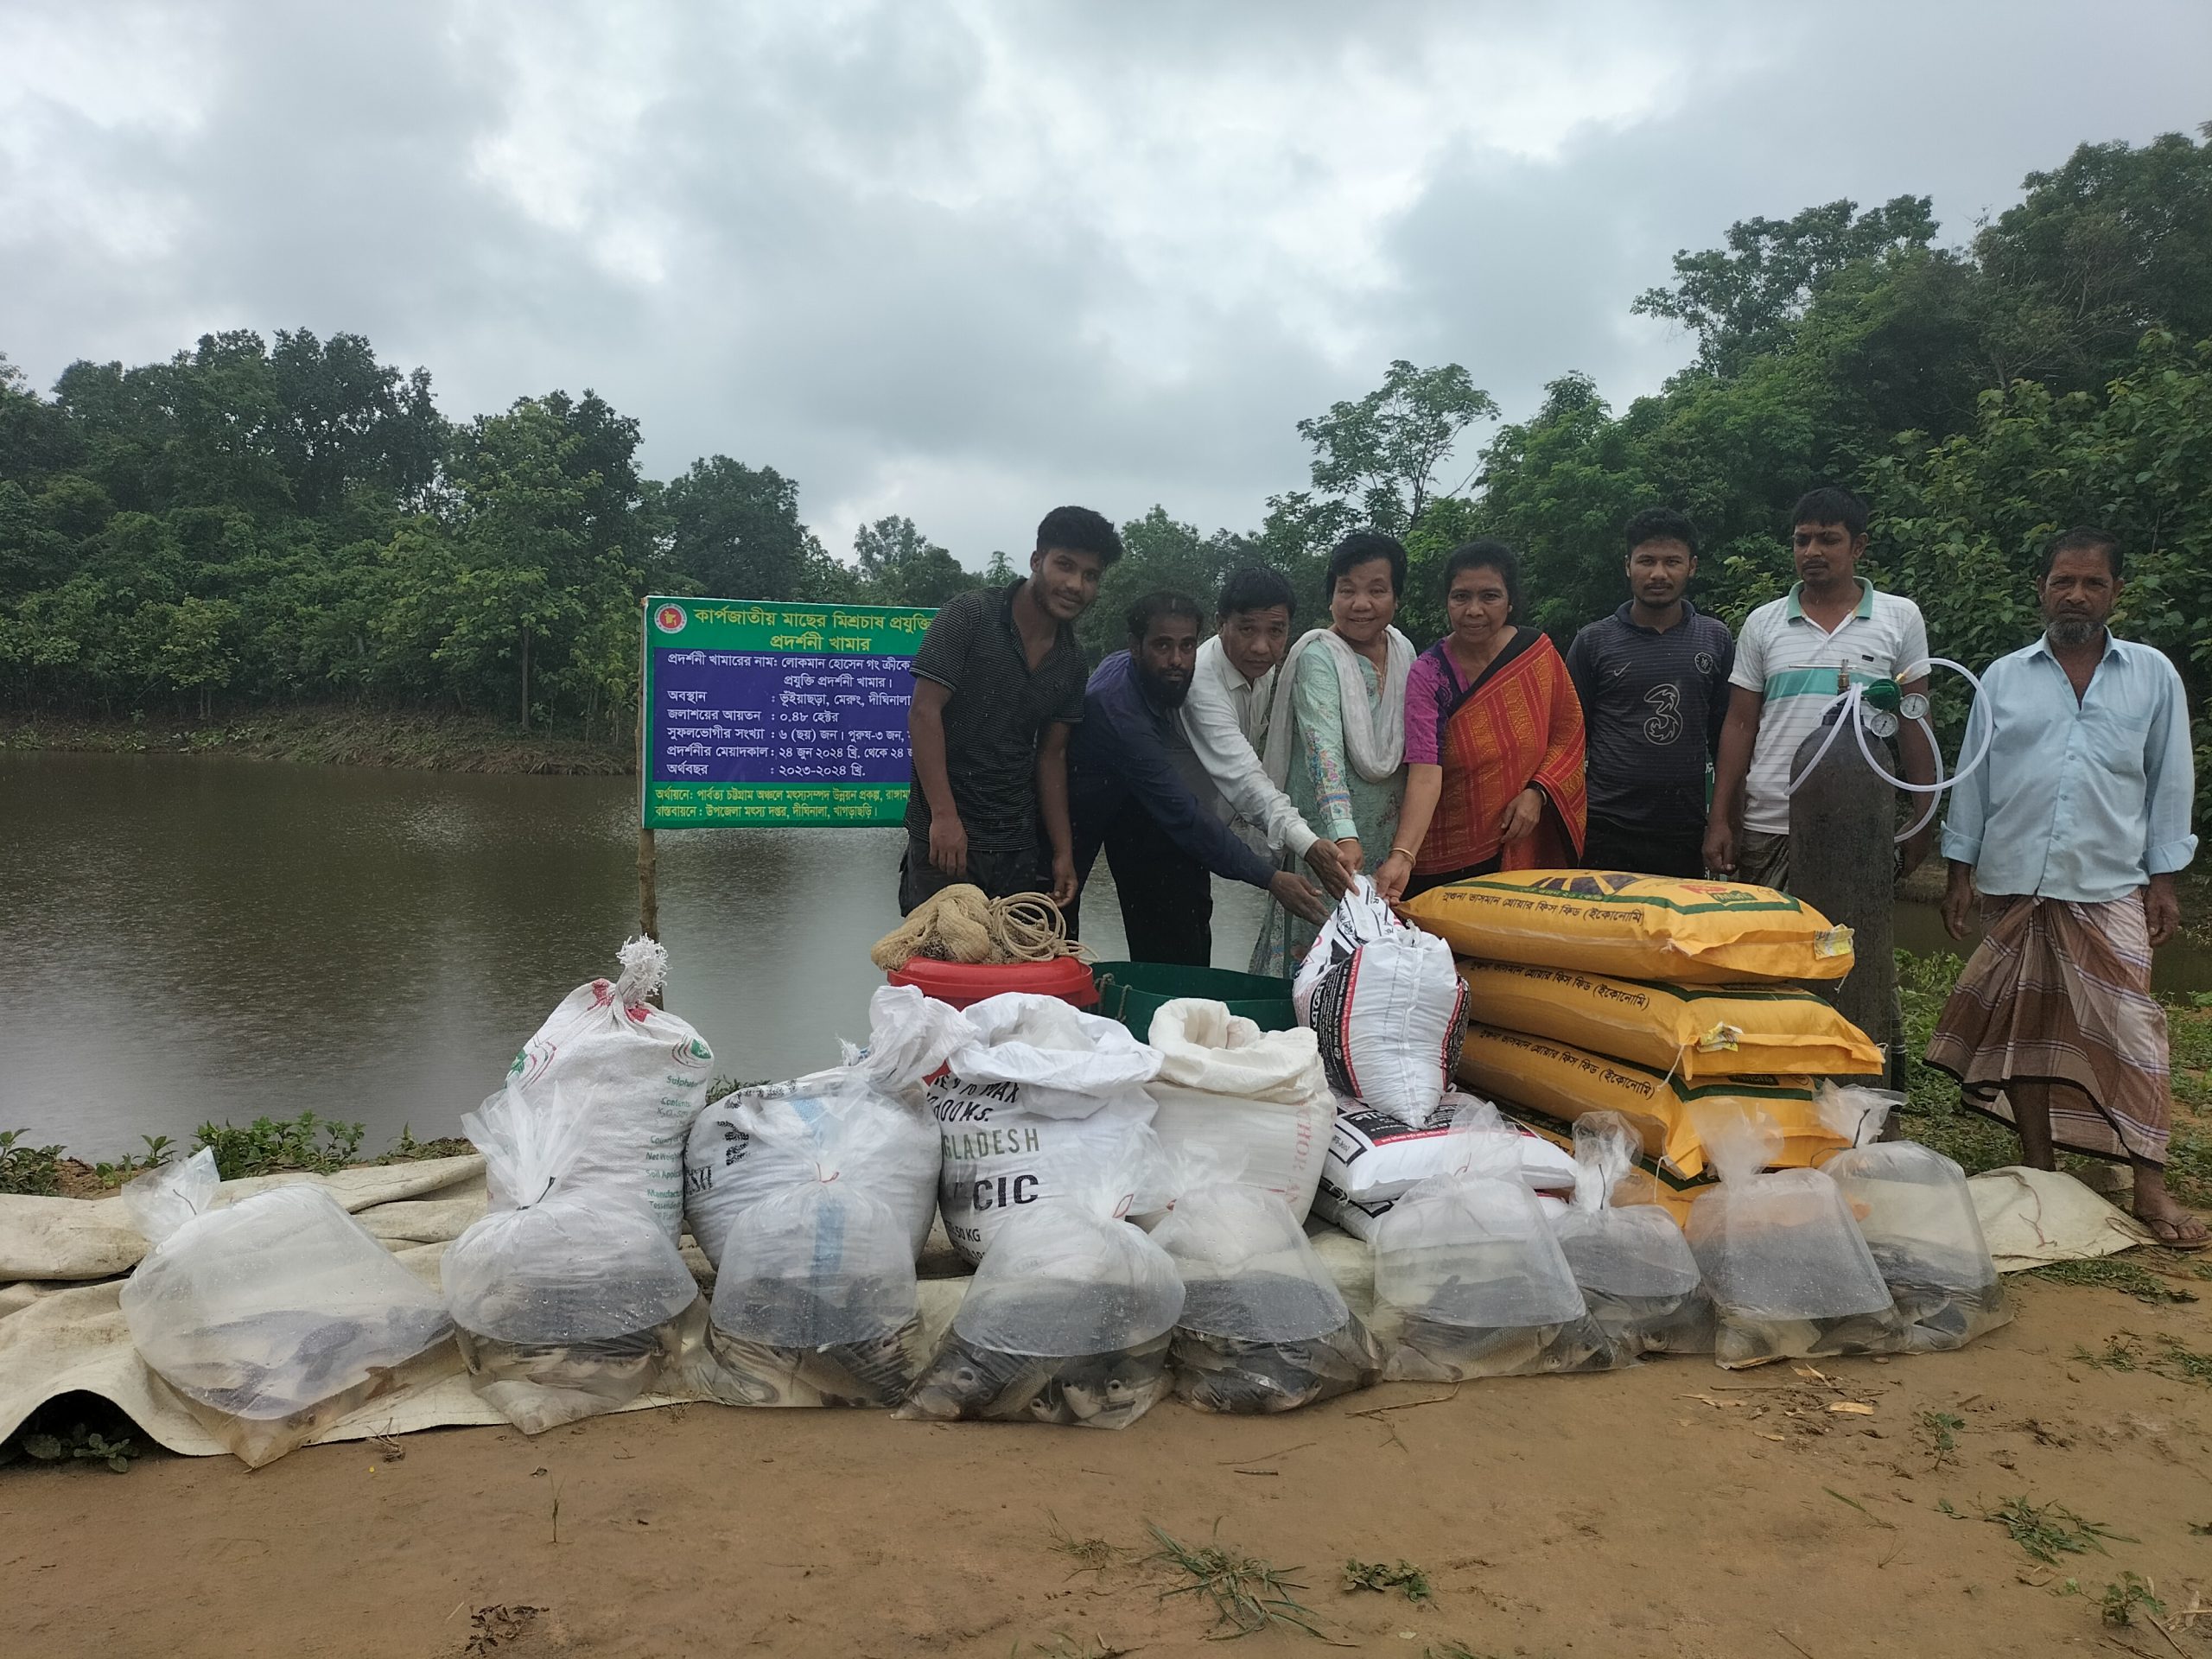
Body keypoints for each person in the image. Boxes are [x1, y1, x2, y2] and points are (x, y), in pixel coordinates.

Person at [1927, 527, 2202, 1249]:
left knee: (2135, 1033)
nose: (2075, 594)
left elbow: (2171, 780)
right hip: (2018, 883)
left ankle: (2149, 1185)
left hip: (2110, 882)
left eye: (2092, 582)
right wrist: (1960, 871)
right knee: (2028, 1031)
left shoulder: (2151, 675)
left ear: (2114, 592)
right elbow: (1975, 779)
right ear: (2041, 590)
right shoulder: (2004, 676)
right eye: (2062, 582)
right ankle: (2038, 1162)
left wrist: (2164, 879)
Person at [1065, 591, 1329, 963]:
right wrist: (1270, 880)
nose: (1177, 660)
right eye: (1162, 645)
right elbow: (1183, 812)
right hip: (1077, 834)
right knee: (1054, 942)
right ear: (1136, 647)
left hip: (1136, 826)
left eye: (1187, 646)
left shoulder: (1145, 676)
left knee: (1177, 955)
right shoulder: (1120, 712)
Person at [1705, 486, 1935, 890]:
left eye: (1828, 539)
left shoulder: (1900, 617)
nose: (1812, 551)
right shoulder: (1763, 622)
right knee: (1767, 945)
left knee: (1848, 944)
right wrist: (1721, 818)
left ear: (1858, 546)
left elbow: (1915, 718)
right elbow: (1740, 725)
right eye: (1802, 539)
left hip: (1860, 818)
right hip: (1771, 820)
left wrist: (1923, 816)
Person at [900, 505, 1116, 914]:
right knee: (940, 964)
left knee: (1008, 969)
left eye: (1090, 576)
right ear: (1037, 561)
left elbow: (1051, 755)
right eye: (1065, 566)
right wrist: (944, 819)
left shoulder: (1071, 661)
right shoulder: (970, 616)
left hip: (1017, 844)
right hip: (946, 838)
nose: (1075, 585)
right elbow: (923, 714)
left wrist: (1062, 852)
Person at [1376, 541, 1586, 902]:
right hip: (1442, 852)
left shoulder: (1536, 654)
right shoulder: (1429, 673)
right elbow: (1425, 769)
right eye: (1461, 597)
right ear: (1447, 601)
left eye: (1489, 596)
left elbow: (1568, 733)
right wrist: (1402, 856)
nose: (1474, 610)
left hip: (1522, 840)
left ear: (1511, 601)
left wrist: (1538, 793)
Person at [1249, 531, 1414, 975]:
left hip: (1386, 836)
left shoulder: (1404, 652)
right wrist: (1343, 834)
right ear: (1330, 598)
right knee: (1315, 950)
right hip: (1327, 839)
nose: (1360, 603)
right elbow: (1325, 756)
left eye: (1376, 590)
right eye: (1347, 590)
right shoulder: (1318, 656)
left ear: (1397, 596)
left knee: (1374, 956)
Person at [1564, 508, 1735, 878]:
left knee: (1675, 934)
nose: (1659, 574)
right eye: (1647, 561)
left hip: (1684, 825)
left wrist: (1721, 820)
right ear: (1628, 566)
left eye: (1672, 561)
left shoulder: (1715, 639)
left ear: (1692, 566)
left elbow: (1727, 739)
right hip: (1606, 824)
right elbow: (1570, 739)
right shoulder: (1593, 641)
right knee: (1606, 929)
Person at [1177, 566, 1353, 897]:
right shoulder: (1200, 685)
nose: (1261, 647)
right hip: (1164, 830)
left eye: (1276, 631)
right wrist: (1308, 844)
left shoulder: (1262, 670)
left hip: (1206, 828)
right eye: (1246, 629)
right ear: (1220, 624)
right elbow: (1244, 778)